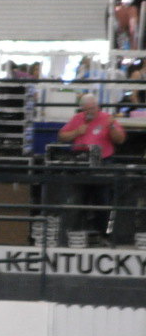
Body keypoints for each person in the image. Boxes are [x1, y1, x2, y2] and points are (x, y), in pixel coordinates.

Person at [58, 93, 127, 234]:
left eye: (93, 108)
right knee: (76, 198)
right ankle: (73, 231)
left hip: (103, 160)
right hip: (80, 161)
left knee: (102, 199)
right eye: (87, 109)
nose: (90, 112)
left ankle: (104, 233)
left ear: (98, 107)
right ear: (82, 109)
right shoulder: (77, 119)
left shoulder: (107, 119)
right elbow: (62, 136)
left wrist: (112, 127)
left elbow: (120, 139)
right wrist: (77, 132)